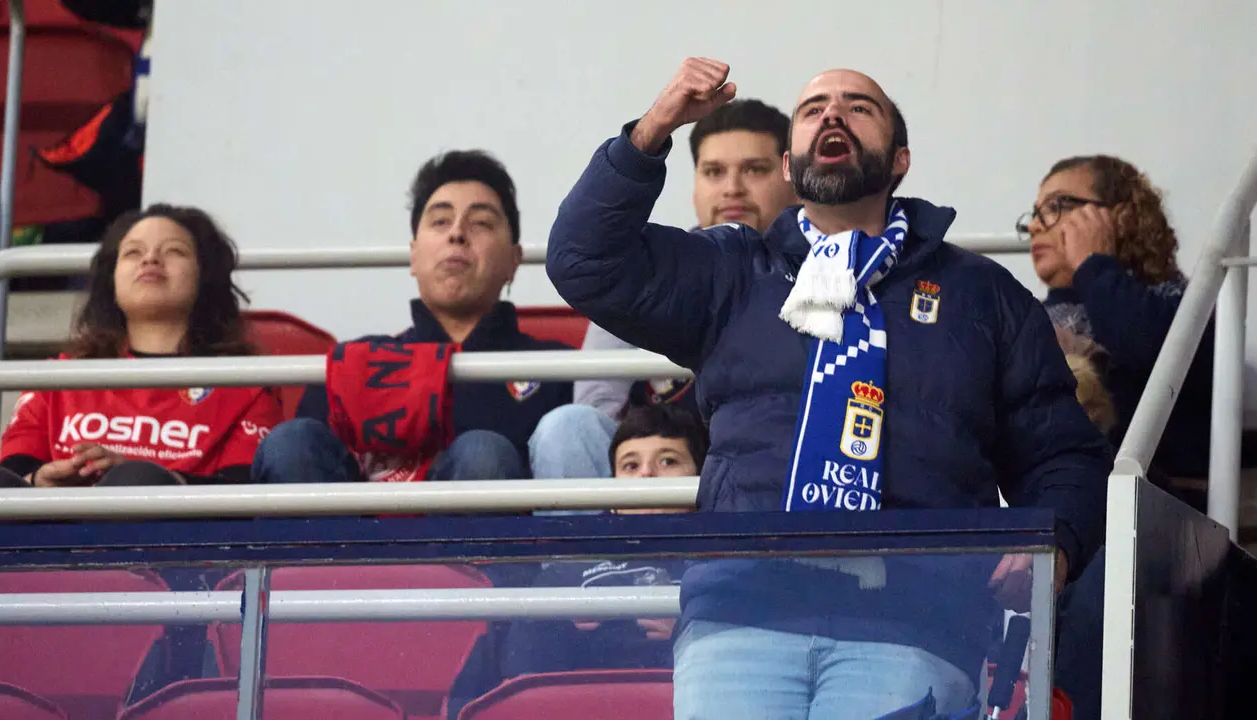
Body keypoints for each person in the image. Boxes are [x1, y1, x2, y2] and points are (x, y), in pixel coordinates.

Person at [547, 58, 1110, 718]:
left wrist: (1053, 541)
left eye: (859, 107)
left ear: (900, 160)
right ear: (790, 166)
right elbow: (583, 259)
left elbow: (1062, 452)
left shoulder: (981, 294)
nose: (834, 114)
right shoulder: (734, 271)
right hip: (741, 614)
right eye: (814, 109)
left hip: (916, 621)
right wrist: (651, 131)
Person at [252, 150, 606, 484]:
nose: (457, 233)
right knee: (290, 442)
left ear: (515, 260)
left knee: (483, 455)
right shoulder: (355, 365)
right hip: (354, 528)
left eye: (481, 223)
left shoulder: (557, 370)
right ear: (413, 255)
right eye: (440, 221)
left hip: (498, 528)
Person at [0, 204, 282, 490]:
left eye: (174, 251)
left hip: (176, 528)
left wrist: (152, 482)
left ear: (205, 277)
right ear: (112, 280)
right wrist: (41, 479)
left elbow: (241, 491)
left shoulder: (246, 384)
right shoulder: (55, 379)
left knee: (136, 480)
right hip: (58, 525)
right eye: (133, 252)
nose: (150, 259)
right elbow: (14, 473)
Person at [447, 405, 707, 718]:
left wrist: (687, 634)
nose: (646, 474)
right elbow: (521, 674)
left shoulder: (722, 564)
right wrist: (563, 629)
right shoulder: (568, 570)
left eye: (668, 461)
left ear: (700, 480)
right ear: (613, 493)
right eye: (630, 465)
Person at [576, 99, 797, 422]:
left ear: (794, 182)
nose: (732, 189)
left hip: (783, 447)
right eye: (714, 172)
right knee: (570, 425)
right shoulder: (647, 267)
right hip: (658, 450)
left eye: (755, 169)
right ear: (695, 189)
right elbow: (595, 409)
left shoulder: (830, 269)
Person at [1020, 154, 1212, 478]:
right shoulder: (1025, 316)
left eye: (1055, 206)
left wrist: (1093, 264)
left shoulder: (1178, 302)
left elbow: (1146, 350)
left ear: (1121, 216)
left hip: (1144, 493)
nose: (1035, 226)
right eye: (1035, 214)